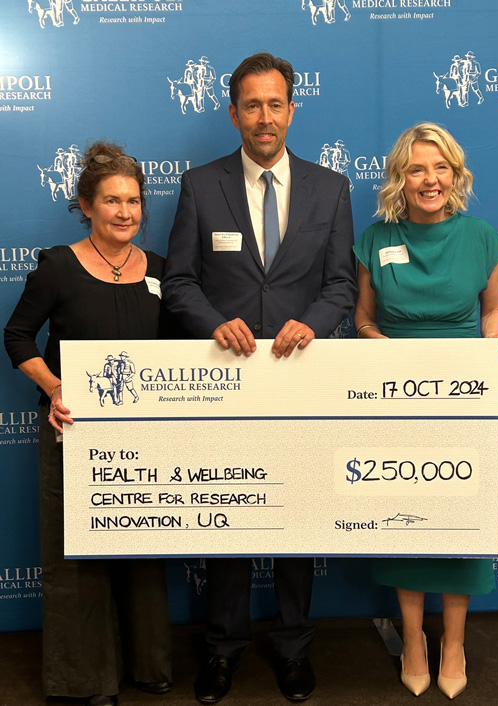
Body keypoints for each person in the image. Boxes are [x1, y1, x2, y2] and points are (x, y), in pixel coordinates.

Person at [162, 52, 356, 703]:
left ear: (291, 109)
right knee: (229, 521)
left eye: (275, 104)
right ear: (233, 112)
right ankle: (220, 651)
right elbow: (180, 282)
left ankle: (295, 647)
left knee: (298, 522)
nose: (264, 117)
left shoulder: (330, 188)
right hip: (225, 386)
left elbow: (338, 284)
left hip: (300, 383)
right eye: (252, 104)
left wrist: (315, 321)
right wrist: (214, 322)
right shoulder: (199, 185)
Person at [353, 122, 498, 699]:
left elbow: (494, 311)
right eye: (417, 168)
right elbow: (363, 321)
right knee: (405, 517)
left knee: (458, 517)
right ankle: (413, 638)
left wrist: (490, 344)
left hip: (461, 399)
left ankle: (453, 640)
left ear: (455, 174)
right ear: (401, 177)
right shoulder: (376, 239)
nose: (430, 179)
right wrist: (395, 361)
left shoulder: (481, 236)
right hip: (396, 399)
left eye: (441, 167)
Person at [4, 142, 173, 706]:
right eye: (111, 201)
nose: (125, 212)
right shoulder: (58, 267)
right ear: (85, 204)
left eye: (133, 201)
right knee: (77, 556)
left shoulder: (163, 274)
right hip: (72, 432)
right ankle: (84, 680)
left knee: (144, 555)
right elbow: (17, 337)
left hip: (145, 441)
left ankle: (149, 667)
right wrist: (53, 387)